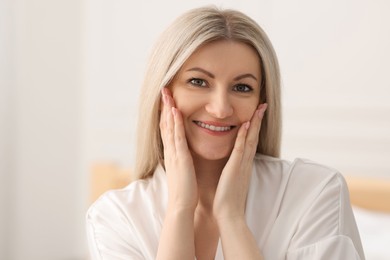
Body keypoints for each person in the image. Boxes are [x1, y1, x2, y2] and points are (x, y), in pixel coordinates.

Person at [86, 6, 365, 260]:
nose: (220, 109)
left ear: (262, 102)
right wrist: (180, 208)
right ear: (163, 97)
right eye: (198, 81)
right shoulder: (115, 217)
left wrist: (231, 218)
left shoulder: (315, 193)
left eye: (242, 87)